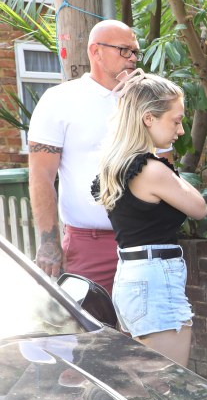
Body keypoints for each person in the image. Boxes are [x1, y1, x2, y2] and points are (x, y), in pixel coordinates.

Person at [92, 73, 207, 367]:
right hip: (155, 280)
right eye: (175, 120)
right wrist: (162, 157)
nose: (180, 130)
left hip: (131, 277)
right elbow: (199, 207)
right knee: (168, 388)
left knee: (144, 384)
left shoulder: (116, 166)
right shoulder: (151, 169)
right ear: (148, 119)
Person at [28, 19, 143, 294]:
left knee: (147, 335)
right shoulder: (61, 100)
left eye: (136, 52)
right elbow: (42, 175)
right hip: (90, 244)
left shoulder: (143, 100)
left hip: (144, 241)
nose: (133, 59)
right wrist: (49, 242)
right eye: (124, 50)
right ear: (96, 51)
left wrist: (140, 100)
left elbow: (166, 163)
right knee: (91, 332)